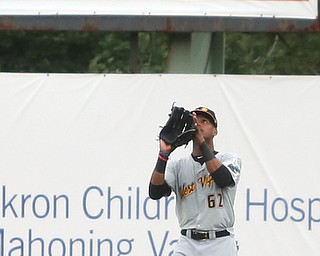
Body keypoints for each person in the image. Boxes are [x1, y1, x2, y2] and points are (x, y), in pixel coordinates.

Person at [149, 106, 242, 256]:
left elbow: (223, 179)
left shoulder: (229, 159)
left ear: (215, 131)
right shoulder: (178, 165)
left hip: (220, 241)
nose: (198, 124)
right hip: (188, 243)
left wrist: (200, 141)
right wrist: (163, 155)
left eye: (204, 121)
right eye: (196, 121)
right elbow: (155, 192)